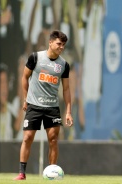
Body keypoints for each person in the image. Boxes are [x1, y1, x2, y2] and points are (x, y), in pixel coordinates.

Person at [13, 30, 74, 180]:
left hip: (52, 108)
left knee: (53, 140)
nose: (61, 47)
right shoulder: (35, 58)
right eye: (59, 44)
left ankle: (52, 174)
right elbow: (24, 77)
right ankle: (22, 173)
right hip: (33, 105)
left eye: (64, 45)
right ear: (50, 42)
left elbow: (66, 89)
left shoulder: (64, 65)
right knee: (27, 137)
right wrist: (26, 98)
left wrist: (68, 112)